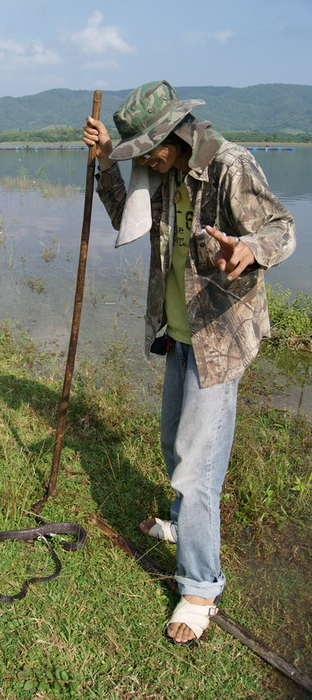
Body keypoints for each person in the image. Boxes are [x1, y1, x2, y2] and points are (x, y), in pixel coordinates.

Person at [83, 80, 296, 645]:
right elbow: (120, 215)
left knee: (197, 467)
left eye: (152, 147)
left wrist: (251, 250)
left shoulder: (230, 166)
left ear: (179, 132)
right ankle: (183, 526)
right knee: (173, 443)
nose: (147, 158)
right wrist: (107, 160)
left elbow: (282, 227)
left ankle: (200, 586)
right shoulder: (161, 172)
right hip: (179, 332)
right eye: (141, 151)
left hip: (219, 337)